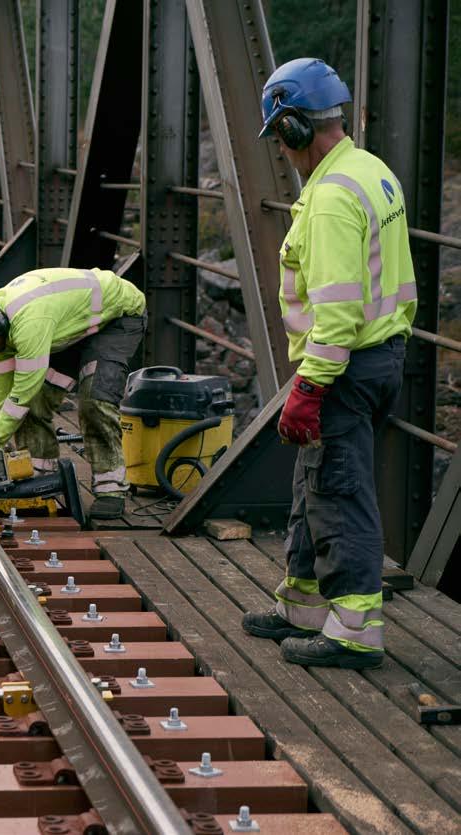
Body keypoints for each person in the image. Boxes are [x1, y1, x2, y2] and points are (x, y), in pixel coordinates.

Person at [241, 58, 416, 669]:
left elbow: (339, 311)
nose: (281, 153)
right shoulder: (369, 170)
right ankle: (304, 607)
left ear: (292, 128)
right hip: (376, 355)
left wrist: (310, 385)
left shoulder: (334, 198)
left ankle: (354, 632)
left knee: (338, 491)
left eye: (279, 138)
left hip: (345, 364)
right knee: (313, 483)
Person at [0, 268, 147, 522]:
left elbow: (22, 392)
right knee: (34, 403)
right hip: (72, 327)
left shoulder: (30, 324)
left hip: (116, 318)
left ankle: (111, 488)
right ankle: (41, 478)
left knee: (95, 400)